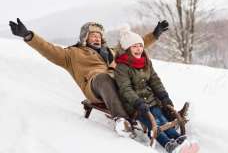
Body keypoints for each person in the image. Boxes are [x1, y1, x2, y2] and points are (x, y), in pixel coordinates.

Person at [9, 18, 169, 137]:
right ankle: (122, 120)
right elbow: (48, 49)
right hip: (95, 85)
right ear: (84, 37)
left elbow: (133, 46)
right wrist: (29, 36)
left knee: (137, 75)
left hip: (118, 83)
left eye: (99, 35)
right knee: (104, 78)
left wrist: (155, 35)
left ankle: (163, 111)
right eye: (93, 35)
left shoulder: (111, 51)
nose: (97, 38)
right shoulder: (72, 54)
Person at [114, 25, 199, 153]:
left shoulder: (146, 62)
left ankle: (180, 140)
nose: (138, 49)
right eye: (134, 46)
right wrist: (137, 102)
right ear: (127, 49)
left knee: (162, 119)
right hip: (135, 105)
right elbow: (126, 89)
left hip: (151, 101)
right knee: (154, 124)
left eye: (140, 46)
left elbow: (155, 80)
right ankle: (169, 145)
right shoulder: (122, 67)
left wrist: (164, 97)